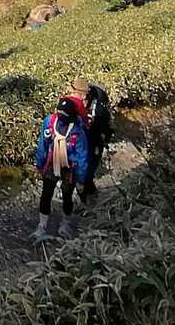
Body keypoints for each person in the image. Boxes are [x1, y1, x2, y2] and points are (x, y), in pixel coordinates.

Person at [33, 97, 89, 240]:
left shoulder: (78, 130)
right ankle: (42, 225)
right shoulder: (49, 122)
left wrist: (80, 178)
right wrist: (39, 164)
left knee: (67, 195)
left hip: (70, 166)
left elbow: (82, 155)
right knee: (46, 193)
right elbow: (42, 145)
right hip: (52, 162)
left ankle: (65, 224)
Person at [72, 76, 113, 200]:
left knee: (87, 170)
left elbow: (101, 131)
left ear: (83, 95)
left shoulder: (99, 111)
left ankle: (89, 198)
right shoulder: (74, 102)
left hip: (95, 138)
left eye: (74, 93)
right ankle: (90, 196)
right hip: (83, 138)